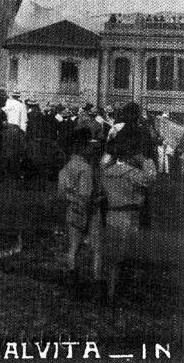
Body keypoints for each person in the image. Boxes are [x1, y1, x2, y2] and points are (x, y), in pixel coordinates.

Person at [101, 135, 157, 299]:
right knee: (127, 254)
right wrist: (146, 160)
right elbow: (151, 179)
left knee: (113, 255)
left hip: (111, 214)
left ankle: (111, 290)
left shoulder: (107, 172)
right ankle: (123, 291)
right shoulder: (133, 173)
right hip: (129, 215)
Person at [57, 127, 104, 286]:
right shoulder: (86, 169)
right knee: (97, 249)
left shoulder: (66, 167)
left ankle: (72, 278)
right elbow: (86, 194)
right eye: (88, 146)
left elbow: (61, 192)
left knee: (73, 247)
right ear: (82, 147)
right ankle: (97, 282)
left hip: (72, 207)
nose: (91, 149)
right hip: (89, 210)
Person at [2, 91, 27, 179]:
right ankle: (13, 172)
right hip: (16, 129)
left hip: (6, 128)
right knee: (15, 151)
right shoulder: (21, 105)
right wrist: (23, 132)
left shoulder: (7, 104)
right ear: (19, 96)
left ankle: (4, 170)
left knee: (5, 149)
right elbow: (24, 120)